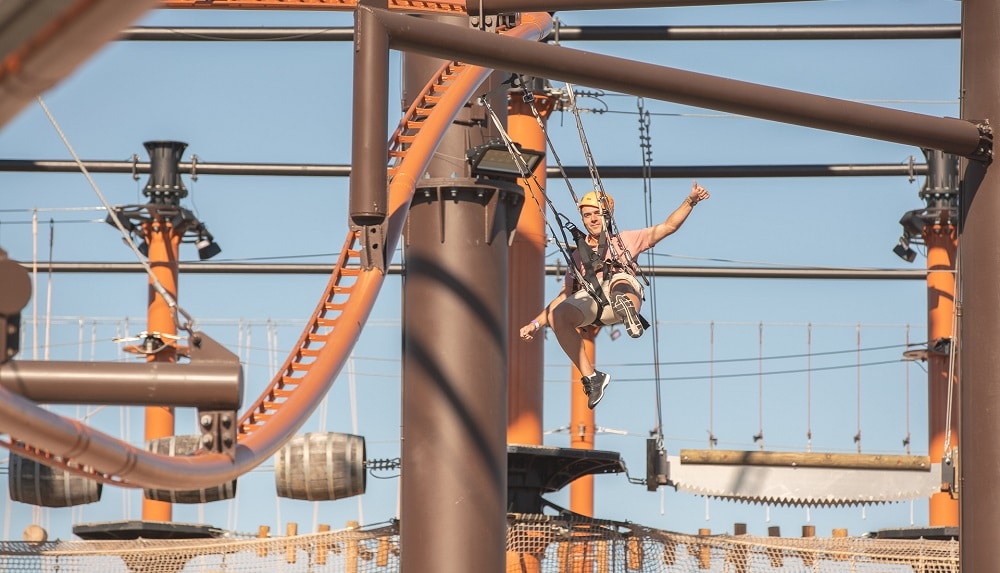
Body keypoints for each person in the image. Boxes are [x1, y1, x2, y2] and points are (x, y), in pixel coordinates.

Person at [519, 181, 711, 409]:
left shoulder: (627, 240)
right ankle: (592, 377)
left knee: (619, 282)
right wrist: (535, 323)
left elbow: (667, 227)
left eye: (597, 214)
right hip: (595, 303)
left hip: (623, 291)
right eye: (587, 215)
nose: (592, 219)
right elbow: (563, 296)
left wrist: (690, 201)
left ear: (608, 215)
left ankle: (627, 310)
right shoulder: (577, 256)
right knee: (559, 315)